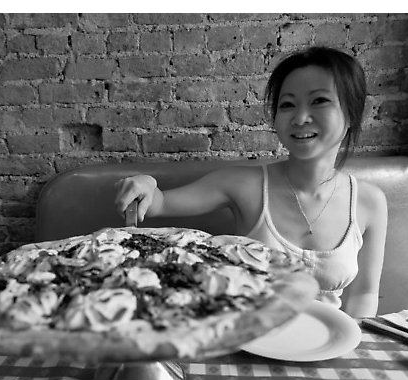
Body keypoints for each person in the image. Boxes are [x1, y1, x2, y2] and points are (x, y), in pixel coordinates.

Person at [114, 46, 388, 318]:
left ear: (352, 113)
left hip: (327, 345)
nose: (301, 118)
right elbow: (160, 203)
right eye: (288, 105)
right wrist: (147, 186)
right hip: (247, 339)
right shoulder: (244, 184)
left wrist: (350, 344)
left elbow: (365, 294)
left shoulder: (369, 202)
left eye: (319, 101)